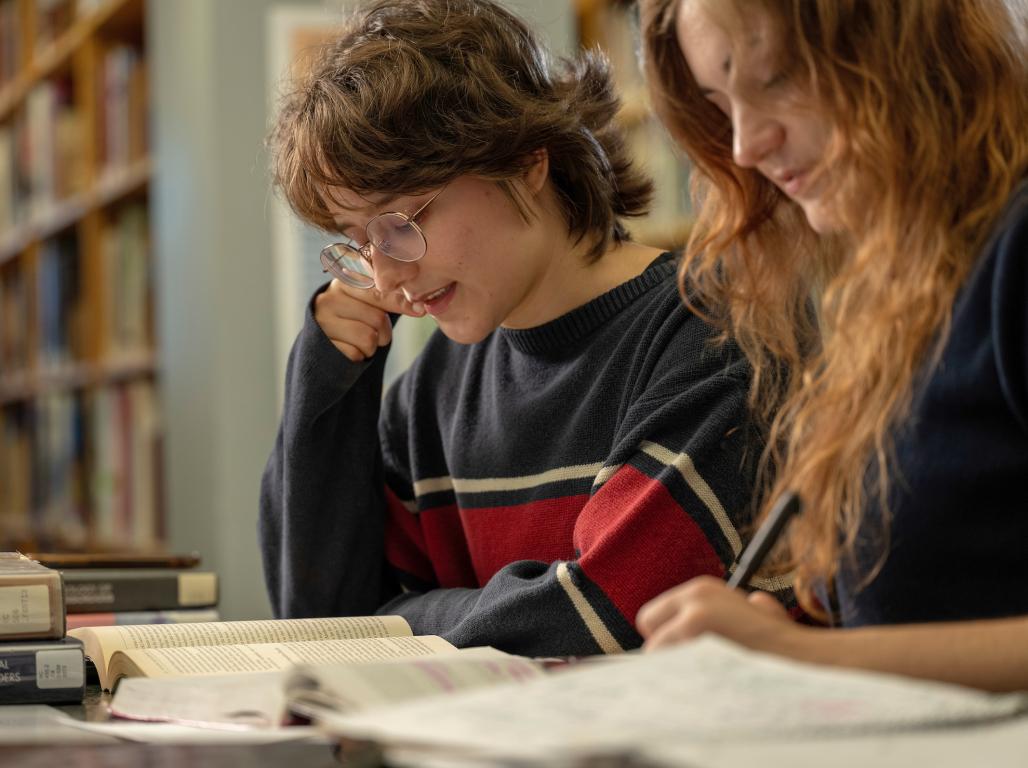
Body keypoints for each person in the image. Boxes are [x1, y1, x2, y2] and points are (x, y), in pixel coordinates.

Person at [260, 0, 787, 657]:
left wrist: (402, 620)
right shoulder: (436, 387)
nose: (387, 280)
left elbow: (600, 619)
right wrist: (329, 384)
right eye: (357, 242)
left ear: (525, 163)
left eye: (400, 223)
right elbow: (324, 627)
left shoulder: (705, 337)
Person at [635, 0, 1028, 691]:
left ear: (900, 51)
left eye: (778, 76)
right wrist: (789, 641)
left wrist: (794, 657)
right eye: (720, 102)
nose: (744, 146)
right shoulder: (899, 285)